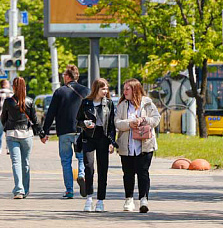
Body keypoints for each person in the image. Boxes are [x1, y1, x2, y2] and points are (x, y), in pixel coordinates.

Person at [40, 64, 89, 199]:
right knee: (81, 157)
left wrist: (45, 132)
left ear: (67, 76)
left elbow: (51, 113)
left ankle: (69, 191)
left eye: (63, 75)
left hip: (64, 131)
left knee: (66, 160)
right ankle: (81, 175)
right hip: (81, 130)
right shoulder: (86, 91)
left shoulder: (59, 92)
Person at [115, 78, 160, 213]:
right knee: (128, 174)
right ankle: (129, 199)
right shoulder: (122, 105)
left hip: (145, 145)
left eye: (127, 89)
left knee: (143, 172)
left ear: (135, 89)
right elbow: (116, 122)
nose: (125, 92)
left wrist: (144, 120)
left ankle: (143, 199)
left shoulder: (147, 103)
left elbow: (156, 119)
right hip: (126, 145)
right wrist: (130, 123)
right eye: (124, 89)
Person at [76, 78, 117, 212]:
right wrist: (85, 124)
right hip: (88, 137)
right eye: (102, 89)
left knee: (103, 169)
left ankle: (100, 200)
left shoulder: (109, 104)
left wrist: (112, 141)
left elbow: (111, 125)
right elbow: (78, 121)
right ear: (96, 89)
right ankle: (89, 198)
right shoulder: (86, 102)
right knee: (89, 167)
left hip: (103, 137)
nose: (105, 91)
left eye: (106, 89)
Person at [0, 77, 42, 199]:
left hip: (12, 134)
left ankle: (19, 190)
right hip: (27, 135)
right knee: (25, 163)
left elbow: (3, 118)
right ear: (25, 87)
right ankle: (26, 189)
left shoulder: (8, 102)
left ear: (13, 87)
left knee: (16, 163)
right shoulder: (30, 101)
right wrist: (42, 134)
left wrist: (7, 128)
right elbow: (35, 120)